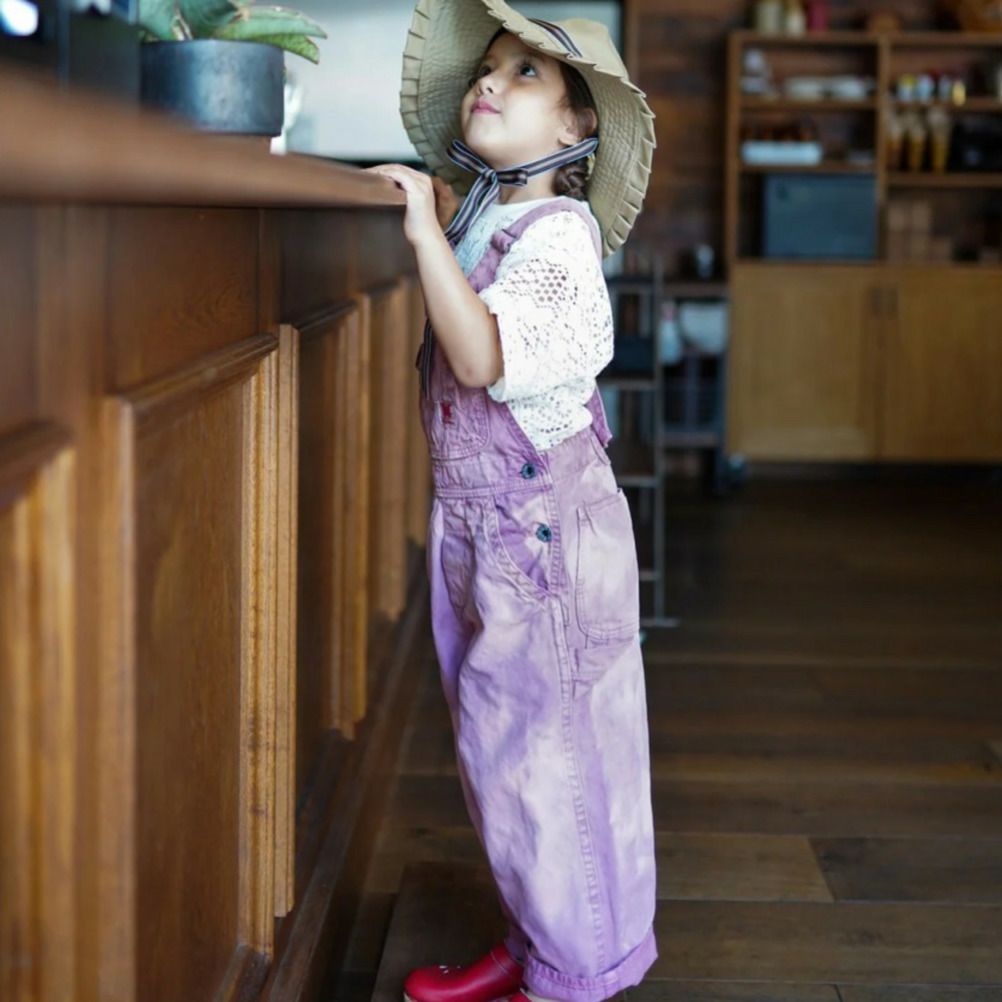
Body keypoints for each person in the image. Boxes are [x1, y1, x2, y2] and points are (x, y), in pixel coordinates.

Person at [366, 4, 657, 1001]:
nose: (489, 80)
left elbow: (481, 357)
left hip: (543, 536)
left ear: (576, 127)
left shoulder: (561, 239)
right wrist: (442, 217)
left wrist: (421, 229)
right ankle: (537, 937)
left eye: (525, 73)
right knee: (500, 748)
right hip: (485, 526)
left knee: (553, 755)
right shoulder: (494, 221)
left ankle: (570, 973)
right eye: (486, 67)